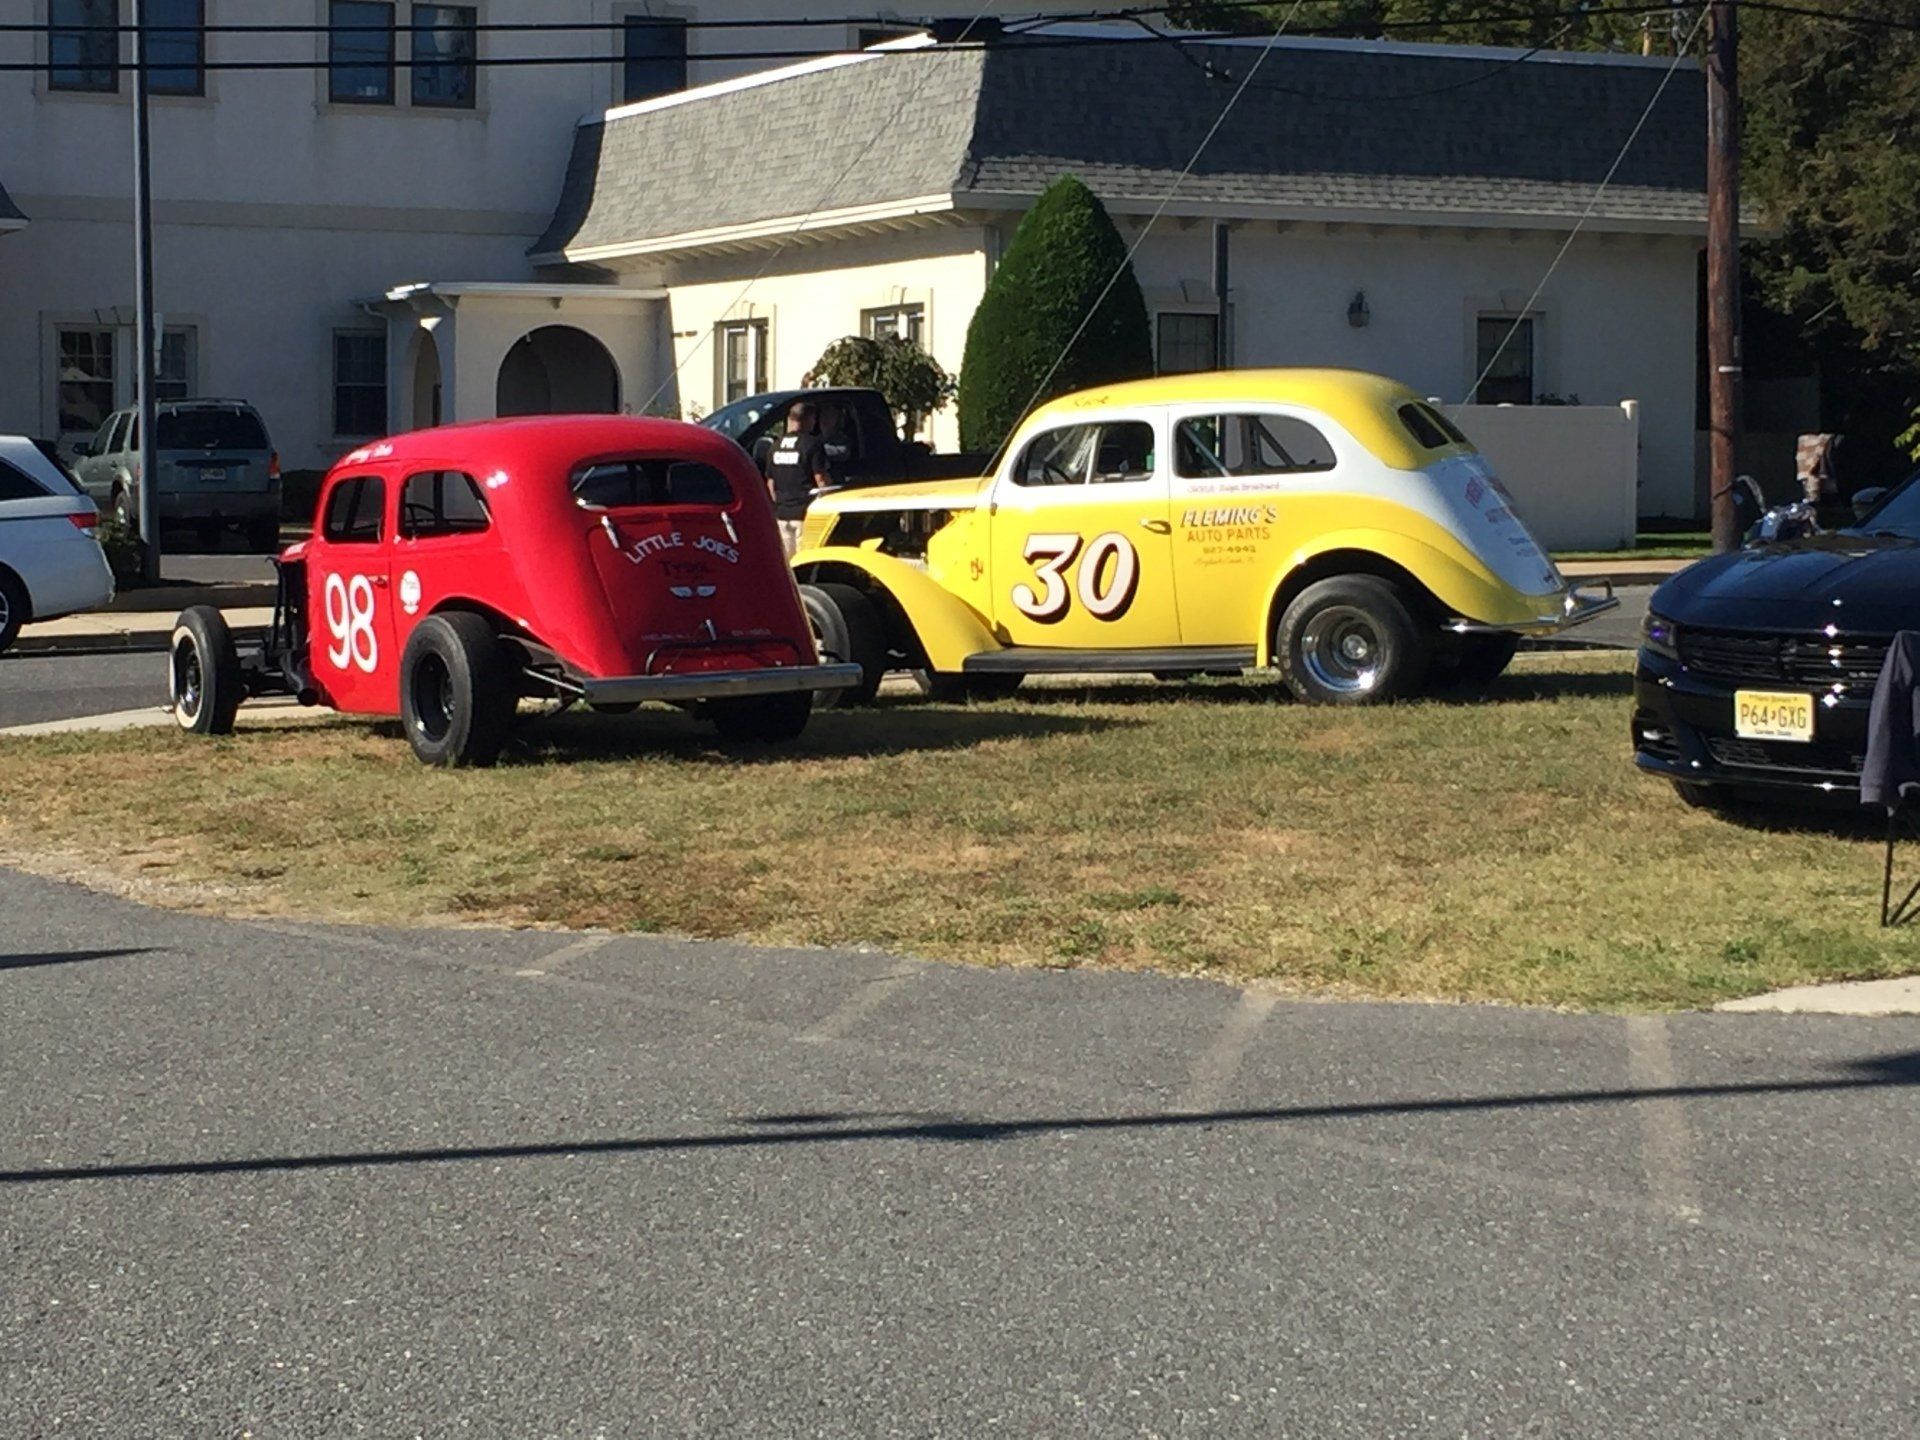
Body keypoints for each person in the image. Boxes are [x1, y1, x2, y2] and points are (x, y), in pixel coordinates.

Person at [759, 400, 831, 558]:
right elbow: (821, 479)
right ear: (809, 419)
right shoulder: (812, 444)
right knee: (804, 561)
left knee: (786, 562)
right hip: (805, 514)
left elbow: (770, 483)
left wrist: (777, 506)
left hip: (782, 514)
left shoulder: (775, 446)